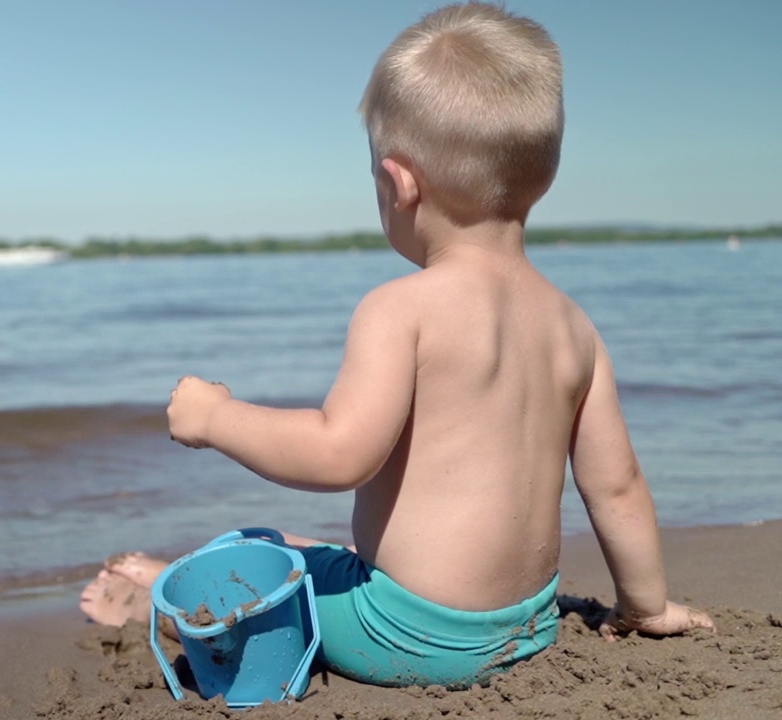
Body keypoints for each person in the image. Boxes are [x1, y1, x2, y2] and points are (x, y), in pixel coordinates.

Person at [80, 1, 713, 688]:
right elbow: (615, 485)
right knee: (324, 553)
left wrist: (215, 419)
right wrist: (645, 607)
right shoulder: (575, 328)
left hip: (411, 636)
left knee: (251, 552)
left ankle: (158, 598)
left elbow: (337, 453)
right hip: (527, 625)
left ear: (397, 182)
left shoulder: (399, 309)